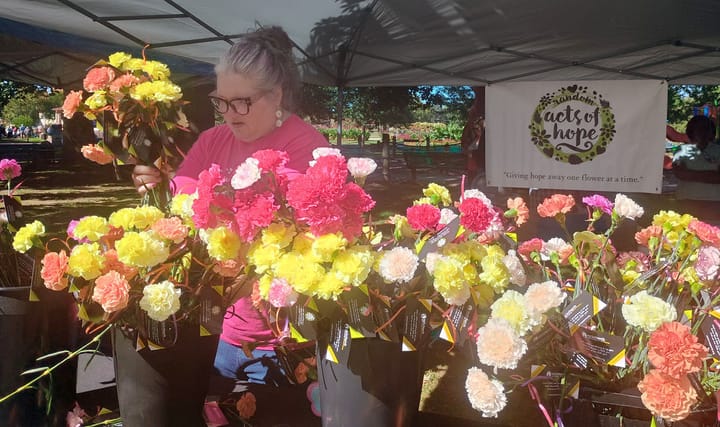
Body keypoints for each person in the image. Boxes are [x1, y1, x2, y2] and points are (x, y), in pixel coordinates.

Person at [131, 26, 328, 425]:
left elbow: (282, 232)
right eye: (221, 101)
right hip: (215, 329)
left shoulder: (307, 146)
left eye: (242, 102)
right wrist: (155, 191)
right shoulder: (212, 141)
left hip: (283, 340)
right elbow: (178, 211)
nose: (229, 114)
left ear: (276, 96)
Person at [672, 114, 720, 222]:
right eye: (698, 128)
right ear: (691, 131)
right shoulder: (681, 150)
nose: (701, 132)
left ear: (711, 131)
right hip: (687, 201)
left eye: (705, 128)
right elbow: (680, 174)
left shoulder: (718, 150)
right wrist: (711, 174)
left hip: (714, 203)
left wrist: (692, 174)